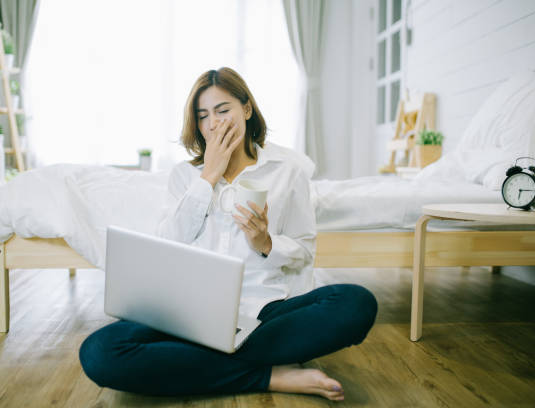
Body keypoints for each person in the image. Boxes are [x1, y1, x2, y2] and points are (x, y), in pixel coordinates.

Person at [79, 67, 377, 402]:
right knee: (99, 351)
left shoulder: (287, 172)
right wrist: (208, 176)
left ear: (246, 109)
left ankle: (197, 363)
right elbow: (167, 245)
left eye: (223, 111)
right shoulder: (184, 176)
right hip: (188, 314)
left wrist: (265, 243)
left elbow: (305, 250)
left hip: (264, 313)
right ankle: (269, 375)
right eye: (203, 115)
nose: (214, 123)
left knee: (356, 304)